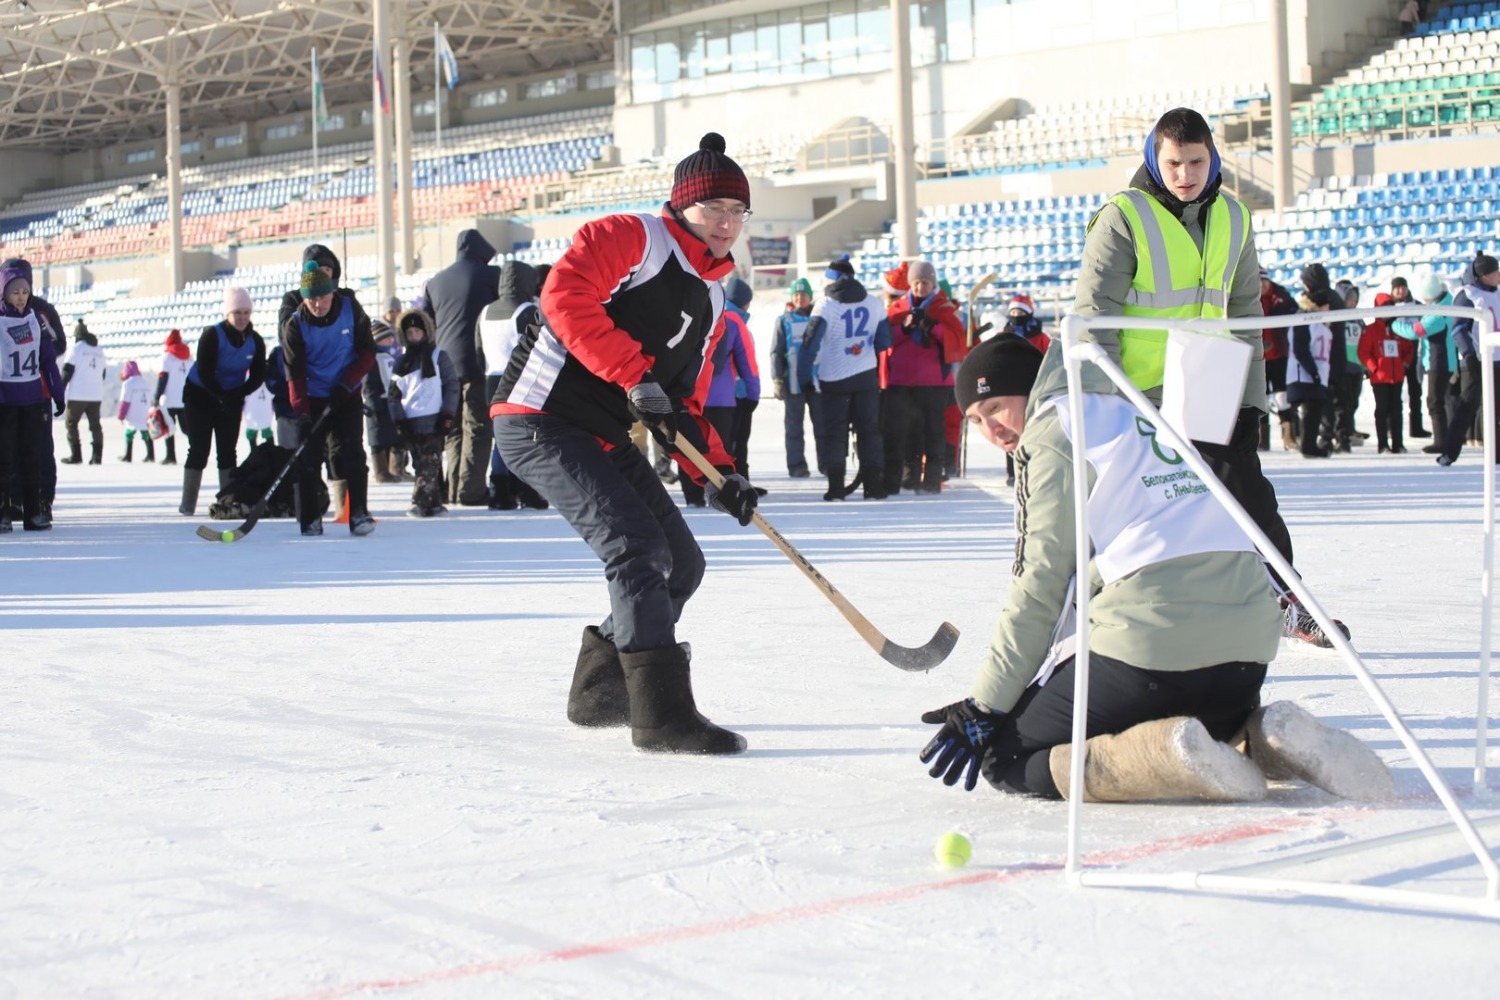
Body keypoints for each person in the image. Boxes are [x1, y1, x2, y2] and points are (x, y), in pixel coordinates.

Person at [918, 335, 1392, 803]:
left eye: (997, 407)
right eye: (976, 420)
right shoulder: (1142, 411)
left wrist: (985, 706)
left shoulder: (1056, 427)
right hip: (1245, 659)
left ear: (1033, 388)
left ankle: (1168, 758)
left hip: (1153, 651)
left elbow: (1040, 585)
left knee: (1004, 758)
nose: (991, 430)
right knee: (1183, 716)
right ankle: (1264, 737)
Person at [491, 132, 761, 755]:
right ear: (682, 206)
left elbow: (683, 400)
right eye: (712, 208)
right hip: (539, 418)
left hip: (602, 431)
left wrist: (723, 476)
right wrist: (634, 375)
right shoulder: (632, 237)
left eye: (736, 211)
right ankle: (661, 716)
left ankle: (600, 691)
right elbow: (563, 296)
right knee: (637, 549)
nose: (725, 223)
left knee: (682, 562)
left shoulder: (715, 296)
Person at [1072, 108, 1350, 647]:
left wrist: (1251, 403)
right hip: (1136, 393)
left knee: (1249, 497)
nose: (1185, 174)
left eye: (1196, 161)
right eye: (1174, 162)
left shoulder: (1235, 217)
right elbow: (1092, 317)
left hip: (1209, 386)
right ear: (1156, 158)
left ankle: (1288, 602)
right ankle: (1082, 620)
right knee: (1116, 513)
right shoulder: (1123, 217)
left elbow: (1245, 314)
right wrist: (1104, 404)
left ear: (1212, 156)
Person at [281, 261, 377, 536]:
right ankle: (310, 519)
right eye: (310, 298)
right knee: (308, 460)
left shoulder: (351, 309)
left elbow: (367, 352)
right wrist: (302, 413)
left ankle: (358, 513)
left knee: (353, 454)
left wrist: (347, 383)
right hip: (313, 398)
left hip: (345, 393)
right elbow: (294, 374)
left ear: (331, 293)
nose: (317, 303)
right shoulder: (295, 325)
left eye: (321, 296)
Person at [424, 228, 501, 506]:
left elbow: (427, 324)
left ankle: (453, 489)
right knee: (478, 427)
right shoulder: (493, 276)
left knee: (453, 429)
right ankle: (470, 491)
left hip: (444, 366)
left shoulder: (434, 282)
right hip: (478, 362)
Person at [809, 254, 892, 501]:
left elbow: (810, 342)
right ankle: (873, 486)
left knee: (834, 432)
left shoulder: (825, 304)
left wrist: (805, 375)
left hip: (833, 376)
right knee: (869, 431)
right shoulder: (874, 303)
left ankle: (836, 486)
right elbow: (885, 342)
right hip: (866, 376)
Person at [179, 287, 266, 516]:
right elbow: (206, 370)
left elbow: (258, 375)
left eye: (246, 312)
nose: (242, 318)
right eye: (237, 312)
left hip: (231, 397)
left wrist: (238, 394)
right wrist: (221, 395)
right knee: (199, 449)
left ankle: (227, 500)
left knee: (227, 452)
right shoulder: (212, 335)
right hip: (201, 395)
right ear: (227, 313)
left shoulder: (255, 341)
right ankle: (188, 504)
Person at [884, 259, 967, 495]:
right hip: (901, 380)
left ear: (933, 284)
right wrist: (906, 328)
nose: (921, 287)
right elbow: (886, 339)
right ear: (910, 284)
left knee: (933, 431)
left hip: (934, 382)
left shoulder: (944, 308)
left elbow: (957, 342)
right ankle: (907, 478)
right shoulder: (899, 307)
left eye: (926, 282)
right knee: (903, 431)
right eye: (917, 282)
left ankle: (931, 480)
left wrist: (934, 327)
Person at [680, 276, 758, 507]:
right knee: (720, 448)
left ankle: (693, 498)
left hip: (687, 395)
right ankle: (721, 497)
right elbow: (748, 364)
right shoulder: (732, 321)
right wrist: (753, 395)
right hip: (722, 399)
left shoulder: (686, 314)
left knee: (688, 446)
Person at [477, 260, 547, 510]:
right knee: (527, 438)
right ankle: (528, 491)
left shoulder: (485, 312)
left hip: (491, 380)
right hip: (519, 380)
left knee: (502, 438)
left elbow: (478, 352)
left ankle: (499, 490)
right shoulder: (527, 310)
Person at [0, 261, 64, 532]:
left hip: (32, 398)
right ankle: (3, 511)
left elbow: (49, 360)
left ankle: (33, 512)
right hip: (4, 399)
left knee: (32, 456)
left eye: (24, 291)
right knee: (4, 457)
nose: (21, 297)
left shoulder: (38, 319)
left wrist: (58, 394)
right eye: (15, 292)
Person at [388, 309, 458, 517]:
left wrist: (447, 414)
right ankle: (433, 502)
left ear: (426, 331)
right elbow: (394, 394)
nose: (413, 336)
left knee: (430, 460)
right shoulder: (401, 362)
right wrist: (398, 419)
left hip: (434, 419)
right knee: (420, 461)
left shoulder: (439, 357)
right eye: (409, 333)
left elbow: (452, 385)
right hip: (411, 420)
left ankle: (419, 500)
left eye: (417, 331)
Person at [1436, 252, 1500, 466]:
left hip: (1497, 359)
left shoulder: (1497, 294)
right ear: (1482, 275)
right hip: (1476, 360)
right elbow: (1458, 329)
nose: (1498, 274)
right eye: (1494, 271)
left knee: (1495, 409)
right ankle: (1449, 452)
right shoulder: (1467, 295)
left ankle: (1496, 454)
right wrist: (1469, 355)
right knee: (1467, 407)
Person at [1391, 270, 1454, 453]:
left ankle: (1441, 442)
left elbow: (1414, 332)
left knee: (1435, 402)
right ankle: (1445, 438)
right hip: (1442, 361)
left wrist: (1393, 324)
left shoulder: (1437, 315)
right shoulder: (1445, 304)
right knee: (1442, 402)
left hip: (1439, 362)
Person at [770, 276, 824, 477]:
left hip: (817, 381)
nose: (800, 298)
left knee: (822, 426)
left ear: (810, 297)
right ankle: (797, 465)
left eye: (803, 295)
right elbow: (776, 351)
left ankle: (826, 463)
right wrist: (777, 379)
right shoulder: (784, 320)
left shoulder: (819, 318)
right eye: (796, 294)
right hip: (793, 382)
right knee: (794, 427)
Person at [1358, 292, 1414, 454]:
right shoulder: (1371, 330)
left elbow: (1408, 349)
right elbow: (1363, 352)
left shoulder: (1398, 328)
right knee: (1382, 410)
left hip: (1396, 377)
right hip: (1380, 378)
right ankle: (1383, 445)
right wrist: (1374, 368)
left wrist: (1404, 364)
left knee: (1397, 410)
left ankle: (1399, 444)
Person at [1286, 290, 1338, 458]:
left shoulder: (1323, 325)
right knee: (1309, 411)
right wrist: (1313, 371)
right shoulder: (1304, 321)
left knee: (1315, 410)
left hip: (1317, 375)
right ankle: (1306, 445)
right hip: (1303, 374)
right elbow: (1300, 349)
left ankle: (1309, 444)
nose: (1328, 310)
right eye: (1326, 307)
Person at [1259, 268, 1300, 450]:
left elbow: (1294, 309)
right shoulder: (1248, 297)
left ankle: (1288, 437)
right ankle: (1261, 439)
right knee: (1261, 398)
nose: (1262, 285)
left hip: (1278, 353)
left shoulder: (1281, 295)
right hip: (1257, 356)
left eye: (1264, 281)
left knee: (1283, 396)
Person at [726, 278, 760, 481]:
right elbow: (748, 365)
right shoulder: (739, 325)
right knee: (738, 441)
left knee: (722, 442)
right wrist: (752, 393)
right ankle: (740, 481)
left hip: (714, 395)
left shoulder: (713, 316)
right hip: (738, 393)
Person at [1390, 275, 1431, 439]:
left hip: (1414, 353)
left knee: (1416, 392)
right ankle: (1391, 427)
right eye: (1397, 287)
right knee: (1394, 393)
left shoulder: (1417, 306)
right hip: (1395, 355)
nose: (1400, 290)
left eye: (1403, 287)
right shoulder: (1389, 307)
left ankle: (1416, 427)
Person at [60, 320, 107, 466]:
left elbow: (67, 371)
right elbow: (103, 374)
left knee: (71, 424)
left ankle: (76, 455)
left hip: (78, 395)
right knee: (95, 426)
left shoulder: (76, 349)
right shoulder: (99, 350)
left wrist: (59, 390)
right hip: (96, 395)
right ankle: (97, 457)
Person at [365, 323, 402, 483]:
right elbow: (369, 386)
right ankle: (381, 471)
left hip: (390, 401)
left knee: (392, 435)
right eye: (386, 337)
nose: (390, 340)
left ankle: (395, 468)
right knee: (378, 439)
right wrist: (374, 407)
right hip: (377, 403)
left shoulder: (388, 357)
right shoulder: (371, 359)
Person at [152, 329, 191, 465]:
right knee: (187, 429)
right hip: (185, 398)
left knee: (169, 427)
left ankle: (171, 456)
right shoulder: (188, 357)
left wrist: (157, 397)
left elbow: (163, 378)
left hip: (170, 399)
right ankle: (197, 451)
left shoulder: (167, 357)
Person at [116, 360, 155, 462]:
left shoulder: (128, 384)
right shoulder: (145, 382)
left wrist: (121, 416)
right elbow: (150, 400)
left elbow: (125, 402)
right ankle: (151, 455)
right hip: (145, 414)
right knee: (146, 433)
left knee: (129, 434)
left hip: (133, 414)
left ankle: (128, 456)